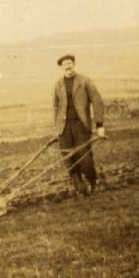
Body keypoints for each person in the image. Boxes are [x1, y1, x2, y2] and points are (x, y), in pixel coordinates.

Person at [53, 54, 105, 195]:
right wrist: (56, 129)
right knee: (68, 159)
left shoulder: (85, 81)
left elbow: (97, 101)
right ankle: (80, 188)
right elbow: (56, 108)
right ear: (61, 67)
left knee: (85, 157)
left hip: (81, 126)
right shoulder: (58, 85)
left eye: (70, 63)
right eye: (64, 64)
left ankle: (91, 182)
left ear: (74, 64)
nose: (67, 66)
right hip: (64, 128)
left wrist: (99, 125)